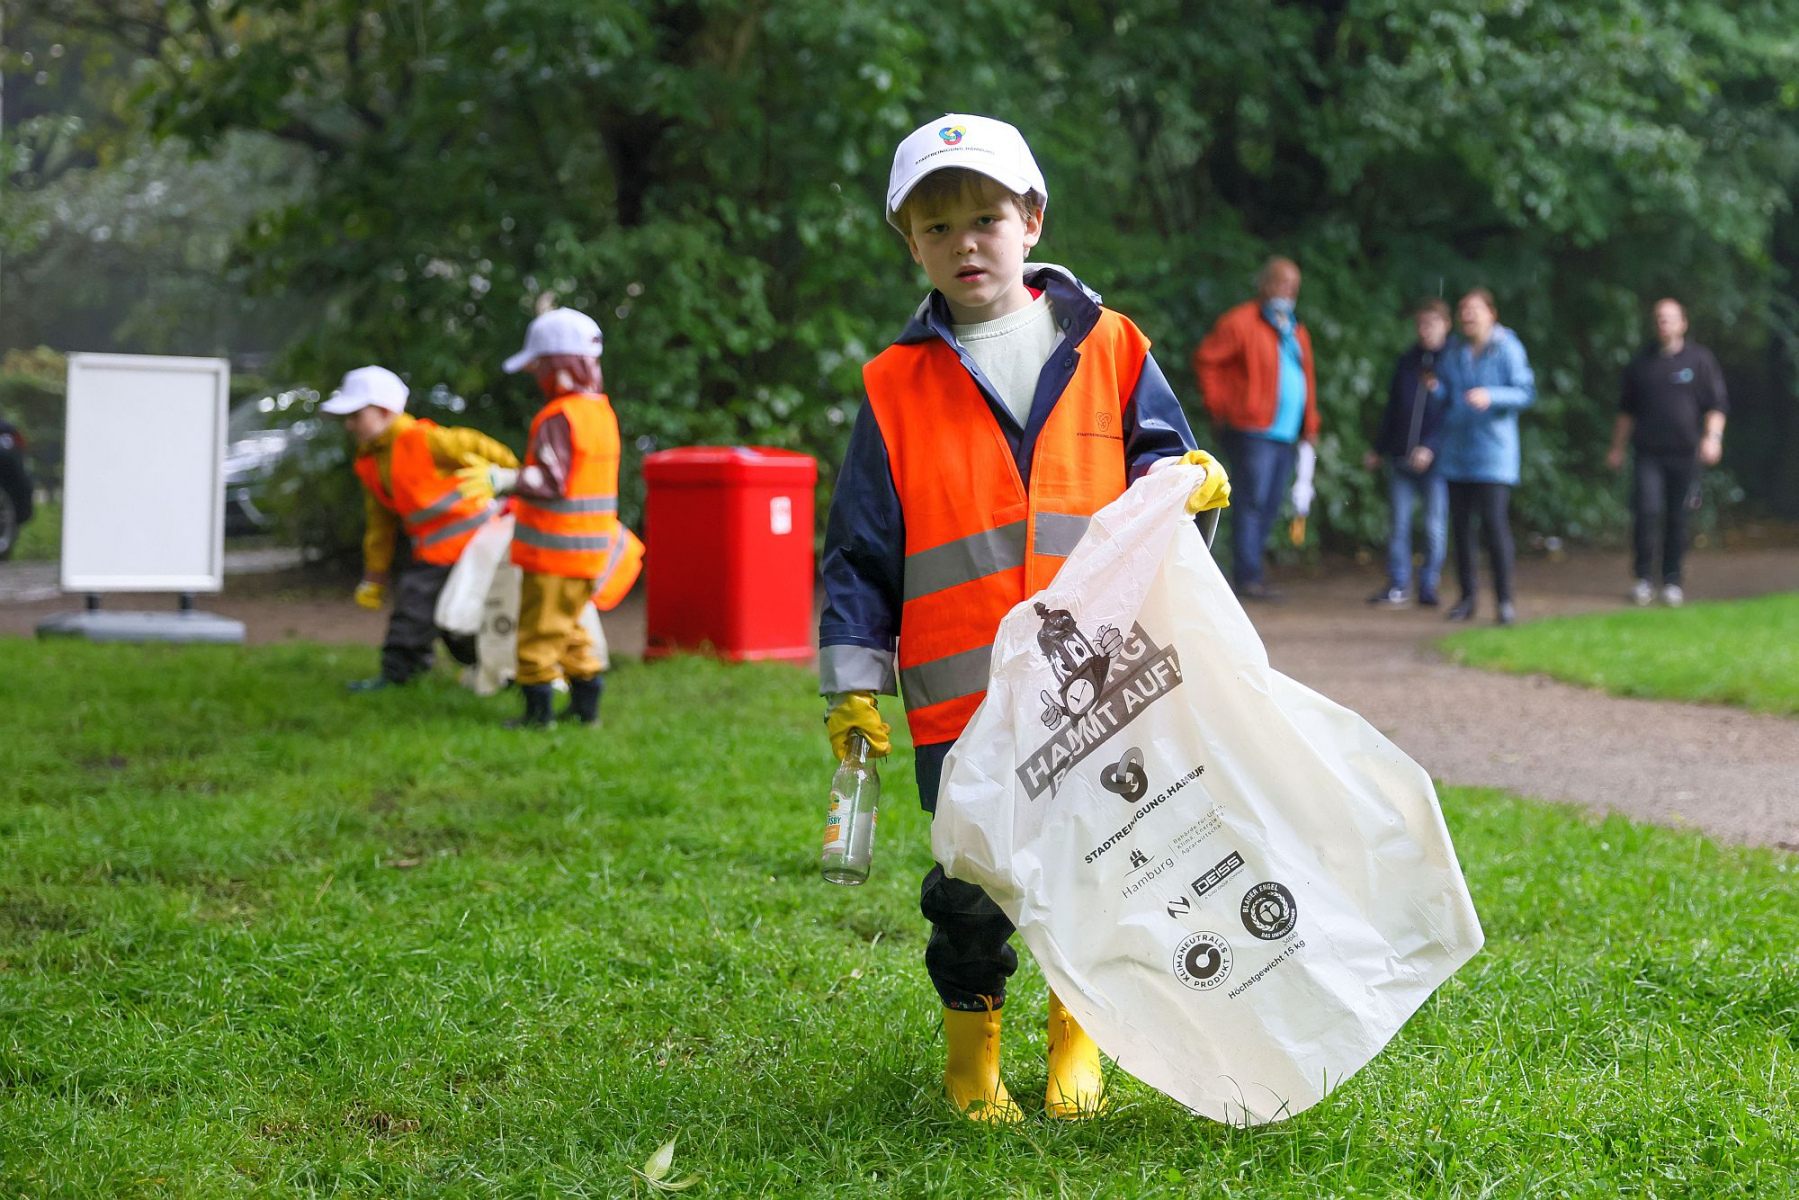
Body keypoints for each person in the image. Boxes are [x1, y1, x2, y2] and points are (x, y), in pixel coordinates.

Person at [817, 115, 1229, 1123]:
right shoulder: (890, 384)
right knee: (972, 887)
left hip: (1101, 681)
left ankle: (1075, 1046)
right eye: (936, 225)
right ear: (907, 243)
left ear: (1031, 221)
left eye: (986, 217)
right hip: (961, 700)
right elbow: (859, 551)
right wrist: (851, 683)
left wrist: (1191, 484)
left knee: (1106, 865)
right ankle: (972, 1062)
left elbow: (1158, 475)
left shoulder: (1112, 345)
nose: (965, 241)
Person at [321, 365, 518, 690]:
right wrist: (375, 574)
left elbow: (476, 444)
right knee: (447, 620)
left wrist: (510, 475)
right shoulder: (370, 460)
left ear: (384, 412)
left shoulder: (423, 439)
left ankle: (402, 674)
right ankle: (488, 670)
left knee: (418, 611)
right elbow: (380, 523)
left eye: (356, 415)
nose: (349, 424)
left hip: (473, 545)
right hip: (437, 551)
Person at [471, 307, 622, 728]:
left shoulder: (559, 415)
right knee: (570, 628)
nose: (535, 377)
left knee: (538, 633)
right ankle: (585, 709)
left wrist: (502, 479)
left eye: (538, 367)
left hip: (555, 552)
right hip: (588, 548)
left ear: (557, 367)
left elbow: (551, 479)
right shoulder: (599, 412)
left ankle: (539, 717)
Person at [1193, 255, 1320, 600]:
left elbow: (1305, 378)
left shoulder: (1294, 329)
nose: (1288, 291)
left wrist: (1310, 423)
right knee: (1251, 502)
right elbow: (1207, 361)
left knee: (1270, 503)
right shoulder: (1240, 322)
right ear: (1264, 285)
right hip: (1251, 431)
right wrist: (1221, 408)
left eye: (1294, 286)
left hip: (1286, 434)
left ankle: (1252, 573)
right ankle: (1248, 578)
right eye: (1282, 283)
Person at [1605, 298, 1728, 607]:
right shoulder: (1641, 364)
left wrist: (1712, 438)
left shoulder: (1700, 360)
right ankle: (1643, 578)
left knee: (1678, 517)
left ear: (1683, 323)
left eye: (1670, 318)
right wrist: (1617, 447)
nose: (1664, 323)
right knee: (1647, 512)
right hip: (1648, 453)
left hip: (1685, 454)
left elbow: (1716, 405)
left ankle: (1672, 581)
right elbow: (1626, 411)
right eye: (1659, 318)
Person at [1437, 289, 1535, 625]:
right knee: (1461, 529)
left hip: (1494, 456)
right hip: (1457, 454)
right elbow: (1448, 396)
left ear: (1491, 313)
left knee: (1495, 526)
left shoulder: (1508, 347)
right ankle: (1467, 598)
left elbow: (1526, 391)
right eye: (1463, 309)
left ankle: (1505, 601)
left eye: (1474, 309)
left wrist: (1491, 395)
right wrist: (1436, 390)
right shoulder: (1453, 350)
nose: (1468, 315)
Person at [1364, 298, 1451, 607]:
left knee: (1433, 526)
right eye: (1421, 325)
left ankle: (1428, 585)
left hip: (1438, 464)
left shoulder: (1454, 363)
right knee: (1398, 524)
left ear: (1446, 325)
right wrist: (1378, 449)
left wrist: (1431, 447)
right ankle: (1399, 584)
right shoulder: (1407, 361)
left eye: (1432, 324)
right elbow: (1393, 410)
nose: (1425, 331)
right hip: (1400, 457)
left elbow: (1453, 416)